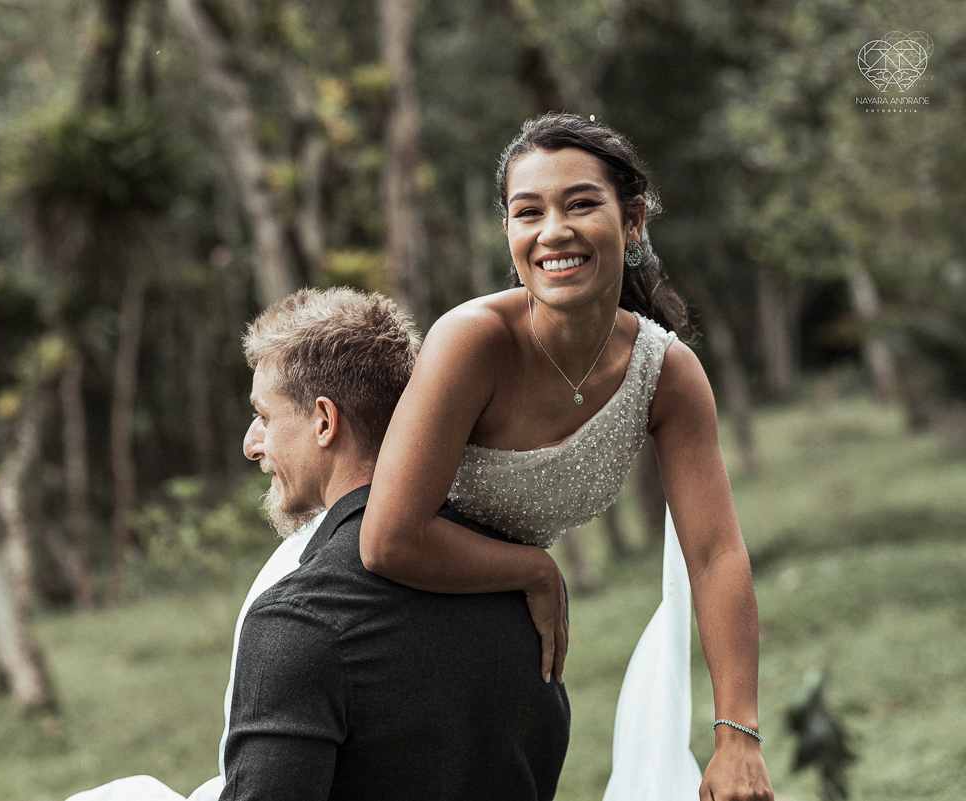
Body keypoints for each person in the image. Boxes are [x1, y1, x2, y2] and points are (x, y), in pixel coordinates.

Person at [358, 112, 774, 800]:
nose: (554, 230)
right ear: (510, 233)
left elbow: (716, 555)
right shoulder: (472, 341)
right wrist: (534, 569)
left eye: (581, 203)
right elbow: (387, 539)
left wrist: (737, 735)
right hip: (366, 620)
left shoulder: (666, 374)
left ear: (632, 220)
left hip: (501, 649)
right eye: (530, 212)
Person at [66, 287, 569, 801]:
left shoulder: (299, 621)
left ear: (325, 422)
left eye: (264, 416)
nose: (251, 444)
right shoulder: (519, 582)